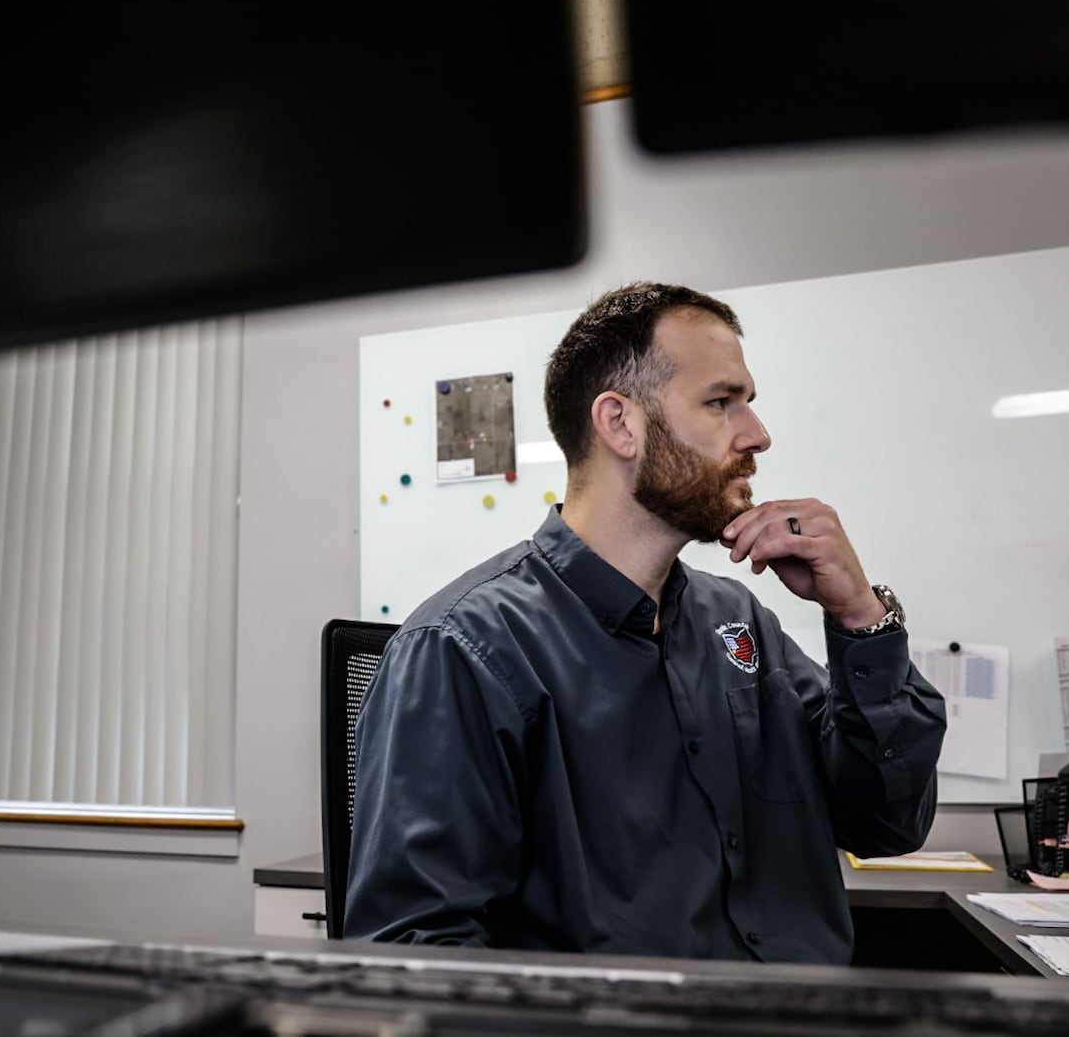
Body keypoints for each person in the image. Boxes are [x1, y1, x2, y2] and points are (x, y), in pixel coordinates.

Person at [344, 281, 947, 964]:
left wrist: (860, 616)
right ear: (620, 423)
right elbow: (415, 956)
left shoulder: (737, 619)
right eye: (722, 403)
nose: (758, 435)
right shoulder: (464, 650)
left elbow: (886, 822)